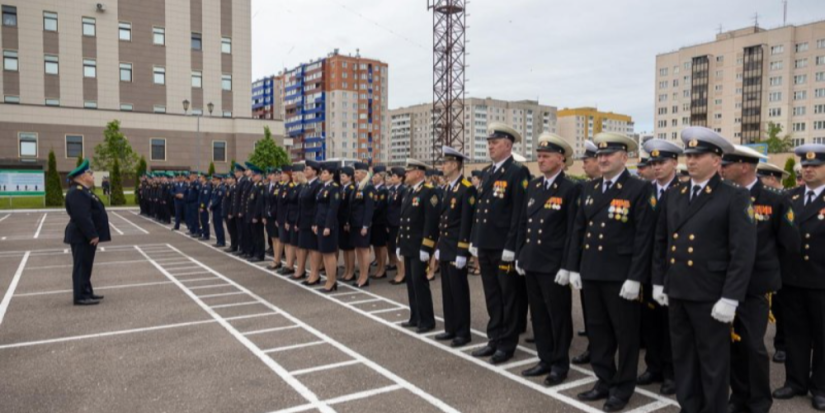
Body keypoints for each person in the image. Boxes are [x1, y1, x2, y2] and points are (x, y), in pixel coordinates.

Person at [652, 127, 757, 413]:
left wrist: (731, 297)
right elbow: (661, 240)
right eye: (689, 154)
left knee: (713, 362)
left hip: (712, 294)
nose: (692, 160)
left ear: (717, 160)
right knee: (683, 358)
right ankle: (690, 407)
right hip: (678, 290)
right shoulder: (676, 193)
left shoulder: (733, 196)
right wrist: (659, 282)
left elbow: (743, 252)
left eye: (699, 155)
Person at [567, 132, 656, 412]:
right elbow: (578, 230)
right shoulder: (590, 189)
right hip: (592, 272)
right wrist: (573, 266)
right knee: (598, 331)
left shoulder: (638, 189)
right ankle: (604, 379)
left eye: (608, 155)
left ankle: (623, 387)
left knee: (626, 334)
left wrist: (635, 277)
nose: (602, 159)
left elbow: (644, 237)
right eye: (599, 155)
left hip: (621, 277)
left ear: (624, 158)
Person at [721, 145, 798, 413]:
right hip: (725, 284)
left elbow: (789, 244)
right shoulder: (724, 196)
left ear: (744, 166)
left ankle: (759, 402)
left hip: (755, 287)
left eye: (726, 164)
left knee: (753, 347)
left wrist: (770, 275)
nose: (721, 168)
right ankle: (738, 396)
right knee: (732, 344)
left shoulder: (774, 199)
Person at [513, 133, 581, 385]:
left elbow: (573, 231)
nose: (540, 160)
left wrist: (568, 266)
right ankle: (544, 357)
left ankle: (559, 364)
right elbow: (523, 223)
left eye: (546, 156)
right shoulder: (534, 186)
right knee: (538, 314)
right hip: (532, 261)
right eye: (539, 156)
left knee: (558, 316)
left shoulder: (570, 188)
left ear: (560, 159)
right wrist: (520, 254)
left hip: (554, 266)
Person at [469, 122, 531, 365]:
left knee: (508, 296)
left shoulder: (517, 172)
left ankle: (507, 343)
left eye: (495, 143)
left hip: (503, 247)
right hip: (486, 244)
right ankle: (494, 338)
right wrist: (475, 239)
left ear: (508, 145)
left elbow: (518, 213)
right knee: (492, 295)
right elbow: (480, 210)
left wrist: (512, 246)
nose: (491, 146)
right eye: (489, 143)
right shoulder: (487, 172)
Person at [773, 144, 825, 411]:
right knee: (795, 334)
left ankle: (821, 388)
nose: (808, 170)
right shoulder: (789, 197)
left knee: (822, 336)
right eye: (805, 166)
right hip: (792, 279)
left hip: (821, 281)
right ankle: (795, 381)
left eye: (814, 166)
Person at [637, 138, 683, 395]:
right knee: (650, 321)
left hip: (671, 267)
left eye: (661, 162)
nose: (656, 167)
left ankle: (671, 372)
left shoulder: (681, 190)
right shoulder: (645, 190)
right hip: (646, 267)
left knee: (670, 325)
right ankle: (653, 366)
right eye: (653, 162)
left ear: (674, 163)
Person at [434, 146, 477, 348]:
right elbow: (443, 221)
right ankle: (450, 327)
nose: (442, 166)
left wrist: (462, 251)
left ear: (456, 165)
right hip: (446, 246)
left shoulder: (466, 188)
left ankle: (463, 332)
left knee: (459, 291)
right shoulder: (447, 188)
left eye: (445, 163)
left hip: (456, 248)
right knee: (447, 290)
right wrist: (439, 245)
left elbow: (466, 223)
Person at [397, 158, 439, 333]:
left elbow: (431, 222)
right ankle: (415, 316)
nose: (406, 174)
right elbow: (403, 220)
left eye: (409, 171)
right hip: (408, 244)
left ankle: (427, 319)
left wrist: (427, 246)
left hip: (419, 245)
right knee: (411, 283)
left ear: (419, 173)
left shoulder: (428, 192)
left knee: (419, 282)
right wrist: (399, 243)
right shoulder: (408, 192)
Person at [64, 159, 111, 306]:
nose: (92, 176)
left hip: (83, 236)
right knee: (81, 266)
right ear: (83, 176)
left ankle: (86, 291)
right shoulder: (77, 192)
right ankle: (80, 296)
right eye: (90, 173)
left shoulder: (83, 191)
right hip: (82, 236)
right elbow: (82, 216)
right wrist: (92, 234)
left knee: (86, 265)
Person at [755, 161, 789, 363]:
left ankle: (783, 345)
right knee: (778, 308)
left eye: (762, 178)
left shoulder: (782, 199)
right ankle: (781, 345)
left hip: (784, 265)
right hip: (769, 266)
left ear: (771, 179)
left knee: (785, 311)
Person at [573, 139, 600, 366]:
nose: (584, 165)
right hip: (588, 262)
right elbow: (579, 229)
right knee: (591, 312)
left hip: (611, 267)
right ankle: (594, 347)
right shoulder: (587, 189)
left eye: (587, 160)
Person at [315, 162, 341, 292]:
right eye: (322, 172)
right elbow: (319, 207)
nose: (322, 175)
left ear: (331, 174)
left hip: (328, 225)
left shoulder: (334, 188)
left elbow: (333, 208)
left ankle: (332, 281)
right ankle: (329, 279)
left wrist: (328, 226)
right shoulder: (322, 187)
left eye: (325, 173)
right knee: (324, 253)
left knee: (329, 254)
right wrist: (316, 223)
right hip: (321, 223)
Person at [349, 162, 376, 288]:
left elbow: (369, 208)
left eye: (357, 172)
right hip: (355, 224)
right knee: (358, 250)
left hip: (362, 225)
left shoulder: (368, 187)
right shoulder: (358, 186)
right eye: (355, 172)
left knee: (364, 250)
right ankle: (361, 275)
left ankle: (365, 277)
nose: (355, 175)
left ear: (364, 173)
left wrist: (365, 225)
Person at [297, 161, 323, 284]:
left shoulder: (317, 185)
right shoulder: (307, 185)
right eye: (305, 169)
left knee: (314, 249)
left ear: (315, 171)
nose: (305, 171)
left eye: (307, 169)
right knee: (308, 247)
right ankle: (311, 273)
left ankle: (315, 274)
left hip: (312, 222)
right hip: (304, 221)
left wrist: (315, 222)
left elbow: (317, 206)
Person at [387, 167, 407, 285]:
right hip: (392, 223)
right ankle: (400, 272)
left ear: (400, 178)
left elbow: (402, 208)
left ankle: (402, 273)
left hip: (398, 224)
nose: (392, 178)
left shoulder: (403, 190)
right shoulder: (394, 190)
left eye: (394, 176)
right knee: (394, 249)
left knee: (399, 251)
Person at [338, 166, 357, 282]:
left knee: (349, 248)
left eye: (344, 176)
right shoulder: (342, 188)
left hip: (347, 222)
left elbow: (349, 208)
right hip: (341, 221)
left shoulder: (351, 189)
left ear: (350, 177)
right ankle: (346, 269)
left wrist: (347, 222)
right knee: (344, 248)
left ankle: (351, 271)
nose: (341, 178)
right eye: (341, 176)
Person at [370, 165, 390, 279]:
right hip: (374, 222)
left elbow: (379, 207)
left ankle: (382, 268)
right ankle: (378, 267)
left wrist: (369, 214)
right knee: (376, 246)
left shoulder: (383, 190)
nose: (373, 177)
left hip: (380, 222)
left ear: (381, 176)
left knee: (381, 246)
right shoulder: (374, 189)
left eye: (376, 175)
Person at [244, 163, 266, 262]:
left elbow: (259, 203)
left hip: (256, 216)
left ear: (259, 176)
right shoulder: (254, 186)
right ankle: (254, 252)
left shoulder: (260, 186)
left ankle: (260, 254)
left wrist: (256, 216)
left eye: (254, 175)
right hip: (251, 214)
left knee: (258, 236)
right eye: (252, 175)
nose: (252, 177)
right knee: (254, 235)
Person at [271, 169, 291, 272]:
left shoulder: (289, 187)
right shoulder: (282, 186)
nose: (281, 175)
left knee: (287, 242)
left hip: (286, 218)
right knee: (282, 240)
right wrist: (277, 218)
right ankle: (280, 262)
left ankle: (289, 264)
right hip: (280, 217)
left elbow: (288, 205)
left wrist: (285, 219)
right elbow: (278, 204)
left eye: (283, 173)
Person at [210, 174, 226, 248]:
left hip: (219, 209)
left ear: (219, 180)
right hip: (215, 209)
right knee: (216, 225)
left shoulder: (221, 188)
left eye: (215, 180)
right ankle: (218, 240)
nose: (213, 181)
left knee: (219, 226)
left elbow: (217, 200)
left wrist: (210, 206)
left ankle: (221, 241)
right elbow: (212, 198)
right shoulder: (215, 188)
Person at [197, 173, 212, 241]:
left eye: (200, 177)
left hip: (204, 208)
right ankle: (204, 233)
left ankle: (206, 235)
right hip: (201, 207)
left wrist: (202, 207)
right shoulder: (202, 186)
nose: (199, 178)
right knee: (202, 221)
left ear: (204, 178)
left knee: (205, 221)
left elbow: (205, 199)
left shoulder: (207, 187)